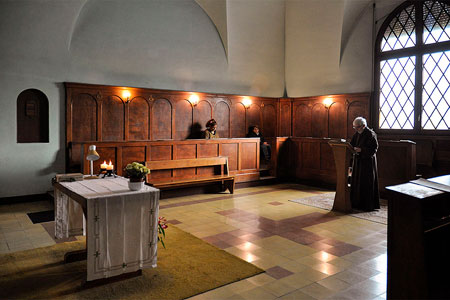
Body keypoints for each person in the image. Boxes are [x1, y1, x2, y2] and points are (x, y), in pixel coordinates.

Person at [350, 117, 380, 211]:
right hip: (358, 161)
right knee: (357, 182)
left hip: (367, 163)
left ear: (363, 126)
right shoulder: (357, 133)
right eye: (354, 127)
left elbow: (374, 149)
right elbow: (351, 144)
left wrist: (362, 150)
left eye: (357, 127)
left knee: (366, 183)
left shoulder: (370, 134)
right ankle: (356, 203)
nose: (355, 129)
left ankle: (366, 205)